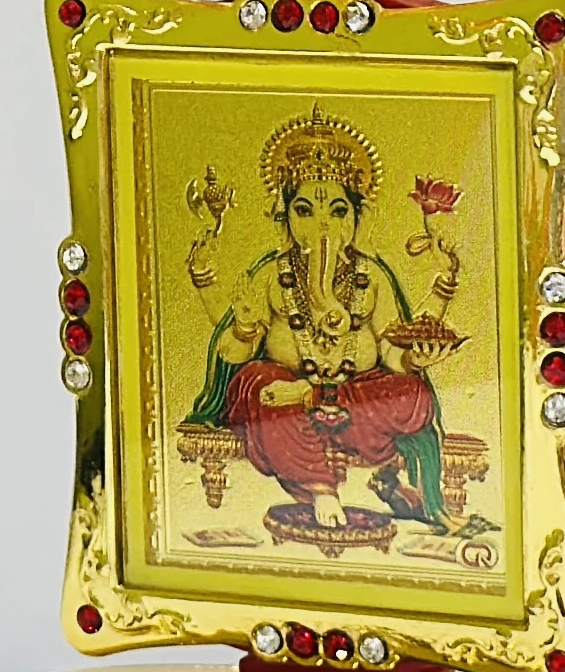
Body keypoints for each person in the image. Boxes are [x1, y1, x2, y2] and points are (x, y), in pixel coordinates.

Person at [185, 107, 451, 528]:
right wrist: (246, 326)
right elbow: (232, 355)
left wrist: (414, 359)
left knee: (412, 395)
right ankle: (319, 489)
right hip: (283, 399)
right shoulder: (272, 275)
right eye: (305, 211)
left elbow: (391, 352)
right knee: (254, 383)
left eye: (338, 212)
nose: (322, 224)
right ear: (285, 218)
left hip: (350, 401)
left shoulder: (371, 276)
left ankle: (320, 403)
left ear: (359, 218)